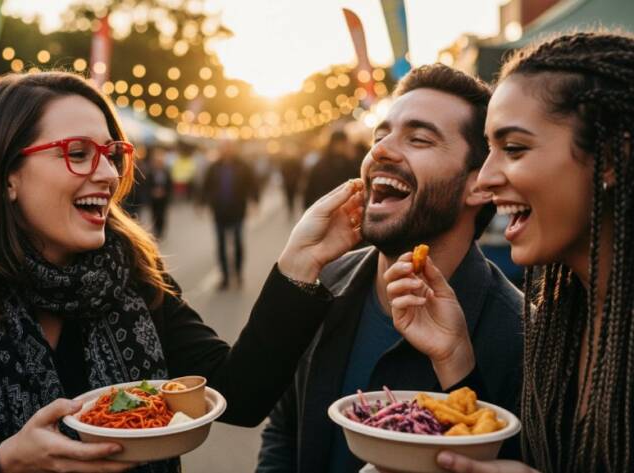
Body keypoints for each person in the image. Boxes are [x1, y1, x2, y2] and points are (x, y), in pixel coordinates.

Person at [0, 72, 366, 473]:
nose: (108, 173)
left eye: (112, 153)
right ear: (6, 174)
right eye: (78, 153)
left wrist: (301, 259)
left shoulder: (132, 283)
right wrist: (6, 464)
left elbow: (242, 393)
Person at [257, 64, 524, 473]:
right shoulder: (324, 282)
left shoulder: (522, 336)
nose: (380, 151)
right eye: (380, 136)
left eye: (418, 139)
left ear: (478, 183)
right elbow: (284, 432)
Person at [387, 32, 634, 473]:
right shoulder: (561, 322)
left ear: (612, 156)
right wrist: (455, 357)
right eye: (489, 150)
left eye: (514, 149)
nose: (483, 180)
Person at [200, 140, 259, 290]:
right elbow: (205, 186)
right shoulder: (214, 167)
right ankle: (225, 277)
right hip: (219, 211)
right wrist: (201, 203)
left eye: (229, 147)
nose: (226, 150)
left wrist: (255, 201)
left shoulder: (242, 166)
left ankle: (238, 274)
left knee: (238, 242)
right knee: (221, 244)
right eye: (224, 147)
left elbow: (253, 183)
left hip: (238, 210)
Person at [303, 130, 361, 209]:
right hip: (324, 205)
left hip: (347, 207)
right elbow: (311, 188)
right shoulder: (321, 164)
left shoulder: (350, 162)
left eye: (343, 143)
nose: (340, 146)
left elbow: (357, 179)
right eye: (338, 143)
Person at [144, 146, 173, 239]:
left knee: (162, 215)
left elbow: (170, 184)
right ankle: (156, 230)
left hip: (163, 198)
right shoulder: (151, 171)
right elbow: (147, 184)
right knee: (154, 214)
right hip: (154, 198)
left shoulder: (167, 171)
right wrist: (152, 192)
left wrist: (165, 192)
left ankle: (160, 231)